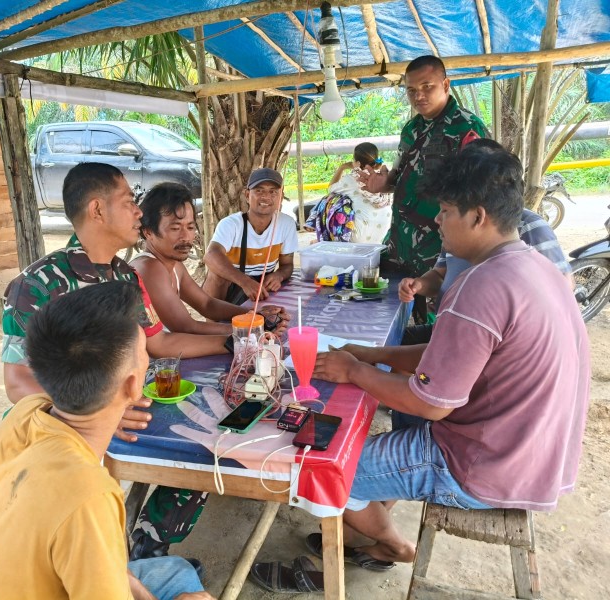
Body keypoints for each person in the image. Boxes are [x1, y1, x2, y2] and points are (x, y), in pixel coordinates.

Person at [252, 141, 590, 590]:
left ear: (478, 216)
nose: (436, 220)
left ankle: (390, 544)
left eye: (446, 210)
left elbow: (430, 403)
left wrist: (354, 371)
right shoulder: (532, 265)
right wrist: (373, 356)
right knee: (362, 437)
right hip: (536, 453)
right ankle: (364, 535)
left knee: (320, 466)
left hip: (483, 465)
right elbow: (448, 355)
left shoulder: (480, 286)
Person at [0, 282, 213, 600]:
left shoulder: (26, 413)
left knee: (179, 571)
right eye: (144, 352)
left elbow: (110, 570)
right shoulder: (89, 495)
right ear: (134, 386)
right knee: (190, 591)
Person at [1, 163, 224, 564]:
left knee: (211, 436)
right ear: (97, 210)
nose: (139, 211)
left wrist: (232, 342)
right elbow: (17, 382)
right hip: (63, 432)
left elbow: (159, 344)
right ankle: (104, 563)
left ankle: (150, 544)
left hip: (127, 408)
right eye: (128, 202)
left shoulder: (125, 277)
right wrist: (96, 412)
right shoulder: (39, 285)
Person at [400, 139, 572, 346]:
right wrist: (420, 284)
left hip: (483, 336)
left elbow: (562, 286)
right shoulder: (460, 232)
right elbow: (440, 274)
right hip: (452, 328)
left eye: (445, 211)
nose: (438, 219)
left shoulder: (525, 228)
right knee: (385, 349)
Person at [359, 55, 489, 319]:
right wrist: (383, 183)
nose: (418, 95)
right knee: (395, 312)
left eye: (427, 87)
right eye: (411, 90)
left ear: (445, 84)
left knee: (434, 320)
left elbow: (484, 188)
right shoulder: (411, 129)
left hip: (438, 249)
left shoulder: (466, 127)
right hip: (401, 243)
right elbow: (399, 175)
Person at [131, 182, 290, 335]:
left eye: (191, 227)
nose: (186, 237)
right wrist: (252, 328)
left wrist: (255, 315)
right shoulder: (149, 268)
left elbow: (207, 304)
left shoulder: (174, 266)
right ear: (148, 232)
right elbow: (186, 328)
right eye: (175, 228)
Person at [203, 168, 299, 305]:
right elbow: (211, 255)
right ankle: (212, 324)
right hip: (231, 284)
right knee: (216, 275)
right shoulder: (231, 224)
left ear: (280, 198)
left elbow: (287, 265)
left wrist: (279, 275)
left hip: (263, 286)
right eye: (259, 191)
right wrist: (245, 282)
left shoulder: (286, 224)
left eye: (273, 192)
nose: (266, 196)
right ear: (247, 195)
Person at [304, 142, 392, 244]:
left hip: (359, 237)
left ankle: (328, 237)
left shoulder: (351, 179)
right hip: (384, 235)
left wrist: (342, 167)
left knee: (331, 198)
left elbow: (330, 188)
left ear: (358, 163)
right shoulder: (384, 176)